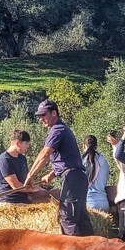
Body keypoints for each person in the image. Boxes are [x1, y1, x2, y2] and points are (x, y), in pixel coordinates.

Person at [24, 99, 94, 236]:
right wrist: (51, 174)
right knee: (80, 219)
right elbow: (67, 159)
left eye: (43, 115)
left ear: (54, 113)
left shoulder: (57, 130)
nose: (41, 119)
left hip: (72, 178)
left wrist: (30, 176)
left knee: (67, 218)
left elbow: (45, 153)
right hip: (77, 178)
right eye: (39, 116)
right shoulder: (63, 129)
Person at [0, 129, 34, 208]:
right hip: (9, 203)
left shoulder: (22, 158)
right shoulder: (4, 160)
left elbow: (26, 180)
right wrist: (33, 189)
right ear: (18, 143)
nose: (27, 146)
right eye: (26, 143)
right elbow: (16, 186)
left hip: (23, 200)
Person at [82, 135, 110, 212]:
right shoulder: (103, 160)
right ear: (96, 146)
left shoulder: (82, 161)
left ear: (83, 146)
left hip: (88, 202)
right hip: (103, 203)